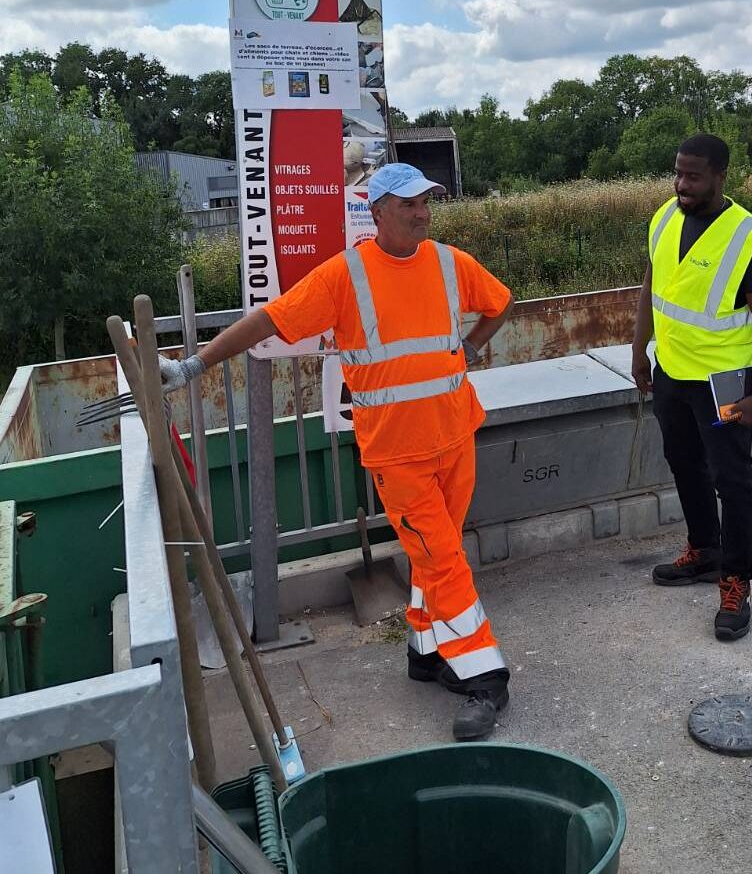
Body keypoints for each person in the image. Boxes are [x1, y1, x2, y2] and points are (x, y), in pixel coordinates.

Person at [159, 163, 514, 741]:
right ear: (376, 212)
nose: (423, 212)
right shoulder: (345, 276)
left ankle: (425, 653)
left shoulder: (451, 262)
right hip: (398, 454)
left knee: (435, 557)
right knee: (445, 558)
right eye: (409, 204)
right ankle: (485, 676)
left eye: (426, 201)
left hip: (455, 434)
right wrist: (196, 365)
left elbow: (501, 302)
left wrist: (472, 347)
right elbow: (269, 320)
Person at [631, 134, 752, 641]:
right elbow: (652, 289)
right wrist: (638, 352)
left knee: (732, 481)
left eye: (693, 176)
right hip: (672, 372)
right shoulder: (664, 218)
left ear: (720, 176)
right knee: (683, 463)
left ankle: (735, 582)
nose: (682, 184)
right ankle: (704, 550)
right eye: (677, 173)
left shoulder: (751, 242)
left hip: (724, 385)